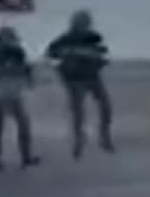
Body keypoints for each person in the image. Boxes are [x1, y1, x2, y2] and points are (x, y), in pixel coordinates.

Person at [46, 11, 113, 158]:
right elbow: (51, 56)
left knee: (105, 107)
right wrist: (62, 70)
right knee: (78, 112)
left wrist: (98, 62)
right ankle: (79, 139)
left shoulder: (94, 37)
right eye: (82, 22)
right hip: (74, 79)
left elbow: (104, 55)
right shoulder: (64, 39)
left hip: (92, 76)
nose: (85, 25)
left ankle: (104, 136)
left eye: (86, 22)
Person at [0, 26, 40, 171]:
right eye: (10, 39)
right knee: (14, 125)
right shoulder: (13, 54)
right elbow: (25, 73)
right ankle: (23, 158)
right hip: (4, 94)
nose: (13, 42)